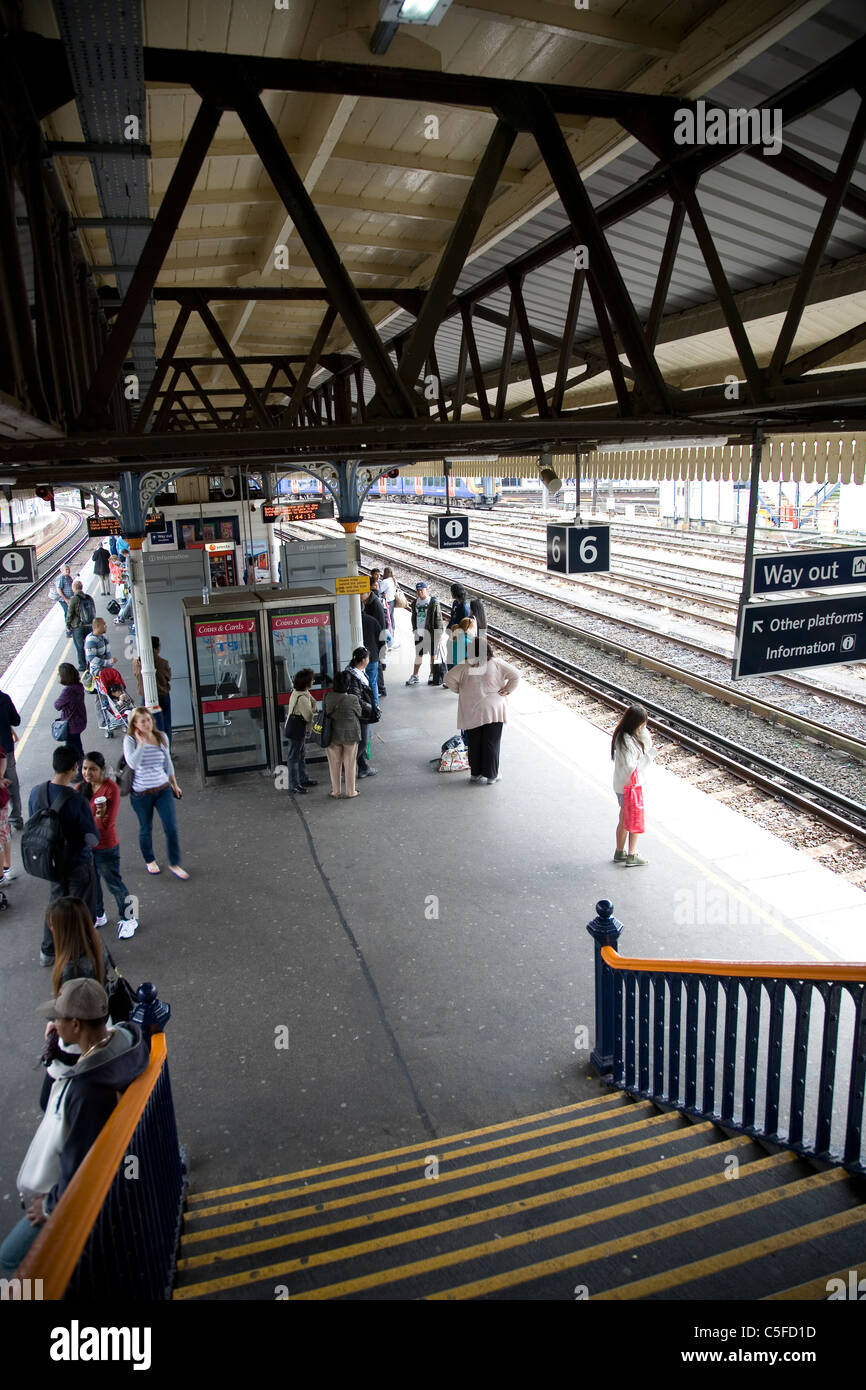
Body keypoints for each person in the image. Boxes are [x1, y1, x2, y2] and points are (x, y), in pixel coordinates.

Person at [0, 978, 148, 1274]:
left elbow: (79, 1164)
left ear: (77, 1025)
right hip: (128, 1167)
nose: (54, 1022)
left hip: (88, 1193)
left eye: (59, 1017)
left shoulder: (87, 1089)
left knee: (9, 1257)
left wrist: (49, 1205)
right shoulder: (125, 1039)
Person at [29, 746, 100, 967]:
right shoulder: (76, 800)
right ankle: (80, 954)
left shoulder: (36, 793)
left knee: (56, 904)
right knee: (80, 908)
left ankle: (48, 951)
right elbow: (92, 838)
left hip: (50, 862)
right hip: (78, 863)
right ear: (74, 768)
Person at [443, 638, 520, 785]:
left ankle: (475, 773)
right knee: (492, 742)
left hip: (472, 709)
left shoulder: (465, 666)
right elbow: (516, 675)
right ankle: (492, 775)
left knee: (474, 741)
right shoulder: (496, 664)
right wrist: (507, 690)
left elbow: (448, 678)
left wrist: (460, 690)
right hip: (494, 709)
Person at [123, 707, 187, 879]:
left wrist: (174, 784)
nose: (147, 723)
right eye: (142, 721)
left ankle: (174, 863)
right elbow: (133, 764)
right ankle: (149, 859)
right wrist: (142, 745)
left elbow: (167, 763)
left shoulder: (161, 737)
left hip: (162, 789)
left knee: (171, 827)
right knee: (146, 828)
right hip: (141, 793)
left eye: (149, 719)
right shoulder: (130, 740)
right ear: (135, 724)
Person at [80, 752, 138, 938]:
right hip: (88, 847)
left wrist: (91, 820)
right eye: (85, 768)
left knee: (114, 883)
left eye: (93, 769)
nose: (88, 773)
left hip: (106, 846)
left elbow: (106, 823)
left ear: (102, 770)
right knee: (93, 882)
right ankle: (98, 914)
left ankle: (130, 918)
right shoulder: (81, 787)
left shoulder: (110, 788)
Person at [612, 702, 655, 867]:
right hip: (630, 787)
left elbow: (646, 740)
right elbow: (632, 768)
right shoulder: (626, 742)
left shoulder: (623, 735)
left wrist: (642, 730)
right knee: (633, 819)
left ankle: (620, 852)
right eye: (642, 723)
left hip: (623, 785)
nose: (644, 727)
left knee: (623, 819)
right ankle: (632, 854)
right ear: (635, 723)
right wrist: (649, 757)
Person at [323, 671, 362, 798]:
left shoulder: (327, 696)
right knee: (350, 763)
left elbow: (325, 712)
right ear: (348, 685)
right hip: (351, 735)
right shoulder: (352, 698)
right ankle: (351, 792)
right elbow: (359, 713)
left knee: (334, 763)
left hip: (332, 735)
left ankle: (336, 791)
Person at [343, 647, 378, 780]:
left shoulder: (357, 672)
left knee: (364, 740)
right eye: (368, 657)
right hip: (361, 714)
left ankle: (363, 768)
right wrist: (370, 707)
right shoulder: (354, 676)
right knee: (363, 742)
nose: (369, 660)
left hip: (363, 713)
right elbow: (356, 698)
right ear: (363, 660)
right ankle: (347, 766)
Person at [132, 636, 172, 747]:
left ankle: (151, 747)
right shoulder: (162, 663)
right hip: (162, 695)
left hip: (146, 697)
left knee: (147, 725)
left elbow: (136, 675)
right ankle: (166, 749)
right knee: (165, 725)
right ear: (156, 648)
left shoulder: (137, 662)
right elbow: (168, 677)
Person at [284, 668, 318, 795]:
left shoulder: (300, 692)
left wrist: (312, 707)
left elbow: (313, 702)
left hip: (298, 728)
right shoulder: (303, 698)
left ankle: (303, 779)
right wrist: (313, 710)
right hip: (297, 729)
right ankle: (294, 784)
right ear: (306, 682)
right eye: (312, 679)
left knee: (301, 754)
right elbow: (309, 716)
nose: (313, 681)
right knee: (294, 756)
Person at [406, 582, 445, 687]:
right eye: (418, 590)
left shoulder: (433, 602)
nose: (419, 592)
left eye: (421, 590)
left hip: (431, 633)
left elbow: (438, 618)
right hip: (419, 633)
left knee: (432, 656)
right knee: (419, 655)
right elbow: (414, 616)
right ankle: (415, 675)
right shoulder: (415, 603)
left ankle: (432, 674)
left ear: (426, 590)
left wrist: (439, 633)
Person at [54, 664, 87, 770]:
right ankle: (79, 766)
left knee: (74, 748)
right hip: (80, 720)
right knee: (75, 746)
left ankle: (82, 768)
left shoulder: (68, 691)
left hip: (71, 725)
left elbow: (57, 705)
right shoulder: (79, 686)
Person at [0, 683, 23, 829]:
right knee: (11, 781)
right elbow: (16, 720)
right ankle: (15, 817)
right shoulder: (4, 698)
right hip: (6, 749)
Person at [64, 581, 96, 674]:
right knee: (90, 646)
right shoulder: (89, 597)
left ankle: (83, 666)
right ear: (81, 587)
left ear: (73, 588)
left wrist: (68, 625)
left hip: (78, 626)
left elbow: (69, 613)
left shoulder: (74, 599)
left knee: (80, 647)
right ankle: (92, 664)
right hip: (89, 625)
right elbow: (93, 611)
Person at [361, 597, 384, 711]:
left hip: (359, 660)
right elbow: (381, 638)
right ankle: (376, 706)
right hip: (373, 656)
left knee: (361, 683)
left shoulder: (353, 622)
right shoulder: (372, 621)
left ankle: (366, 705)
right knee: (373, 682)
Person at [380, 567, 397, 647]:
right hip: (392, 600)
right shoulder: (392, 579)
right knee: (391, 617)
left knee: (387, 620)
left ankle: (389, 638)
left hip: (387, 602)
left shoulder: (385, 581)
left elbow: (379, 590)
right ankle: (392, 632)